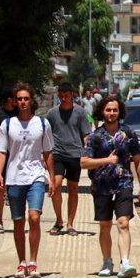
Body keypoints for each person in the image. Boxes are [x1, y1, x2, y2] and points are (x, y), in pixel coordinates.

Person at [0, 83, 55, 278]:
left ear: (31, 100)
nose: (22, 102)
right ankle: (21, 262)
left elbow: (48, 152)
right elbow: (2, 151)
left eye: (26, 98)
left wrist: (51, 177)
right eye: (19, 99)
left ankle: (33, 261)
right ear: (14, 101)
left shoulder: (42, 124)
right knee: (18, 221)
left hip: (36, 176)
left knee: (34, 217)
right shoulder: (7, 125)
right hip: (14, 177)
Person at [81, 97, 140, 278]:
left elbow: (139, 160)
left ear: (120, 112)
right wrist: (107, 160)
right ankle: (107, 261)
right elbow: (84, 162)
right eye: (108, 110)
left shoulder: (128, 133)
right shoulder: (95, 136)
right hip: (101, 186)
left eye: (115, 110)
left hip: (123, 183)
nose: (111, 113)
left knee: (123, 223)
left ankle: (125, 262)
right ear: (102, 112)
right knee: (105, 225)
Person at [45, 82, 91, 236]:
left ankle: (70, 223)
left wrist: (87, 151)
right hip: (57, 153)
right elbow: (45, 134)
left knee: (73, 188)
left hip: (75, 154)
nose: (64, 98)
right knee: (56, 186)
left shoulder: (80, 113)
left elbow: (86, 134)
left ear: (72, 94)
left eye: (66, 95)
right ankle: (59, 220)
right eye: (61, 95)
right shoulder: (52, 113)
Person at [0, 87, 19, 234]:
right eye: (15, 98)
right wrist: (5, 137)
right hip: (1, 155)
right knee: (0, 188)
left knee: (17, 188)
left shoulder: (19, 113)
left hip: (17, 155)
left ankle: (17, 219)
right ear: (9, 99)